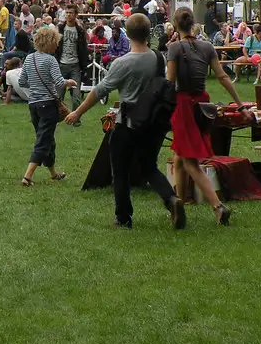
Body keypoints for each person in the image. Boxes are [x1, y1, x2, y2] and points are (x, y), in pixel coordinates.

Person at [64, 13, 186, 230]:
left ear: (126, 34)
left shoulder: (123, 63)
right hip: (154, 122)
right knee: (149, 166)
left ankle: (123, 218)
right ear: (148, 33)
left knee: (119, 170)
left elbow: (100, 90)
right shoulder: (158, 58)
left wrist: (78, 112)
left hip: (128, 122)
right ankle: (171, 199)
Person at [166, 7, 241, 224]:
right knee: (180, 157)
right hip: (202, 104)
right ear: (193, 24)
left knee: (190, 162)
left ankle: (217, 206)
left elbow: (170, 83)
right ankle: (179, 206)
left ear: (175, 24)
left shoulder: (174, 48)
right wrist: (240, 105)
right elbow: (223, 77)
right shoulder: (207, 46)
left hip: (183, 105)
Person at [17, 26, 74, 186]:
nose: (57, 45)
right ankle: (27, 177)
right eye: (56, 42)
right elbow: (59, 82)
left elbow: (22, 82)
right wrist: (68, 82)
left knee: (47, 139)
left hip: (33, 105)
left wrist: (35, 86)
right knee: (43, 140)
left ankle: (53, 173)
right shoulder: (50, 60)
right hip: (48, 105)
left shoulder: (29, 58)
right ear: (50, 42)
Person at [56, 4, 88, 112]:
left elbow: (83, 49)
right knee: (59, 95)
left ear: (76, 15)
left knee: (76, 96)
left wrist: (84, 67)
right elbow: (55, 46)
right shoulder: (60, 28)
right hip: (61, 64)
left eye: (71, 13)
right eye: (67, 13)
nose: (68, 15)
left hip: (75, 65)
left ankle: (76, 118)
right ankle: (57, 117)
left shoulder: (80, 31)